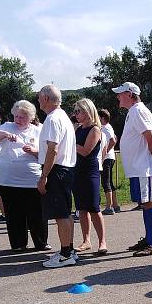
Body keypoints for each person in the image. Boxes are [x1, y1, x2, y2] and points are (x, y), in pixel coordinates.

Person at [114, 82, 152, 257]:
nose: (118, 96)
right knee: (145, 204)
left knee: (149, 203)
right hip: (137, 168)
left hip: (143, 167)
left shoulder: (138, 111)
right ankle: (149, 239)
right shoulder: (133, 112)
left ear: (129, 94)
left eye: (120, 93)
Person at [0, 100, 48, 252]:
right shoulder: (7, 126)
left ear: (30, 117)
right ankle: (18, 243)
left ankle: (41, 242)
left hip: (32, 179)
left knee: (37, 212)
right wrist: (6, 134)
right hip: (8, 180)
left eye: (22, 117)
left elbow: (47, 153)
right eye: (16, 116)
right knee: (14, 213)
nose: (18, 120)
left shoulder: (39, 130)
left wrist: (34, 151)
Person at [36, 84, 78, 268]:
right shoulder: (63, 117)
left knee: (61, 215)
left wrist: (44, 175)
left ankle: (66, 255)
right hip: (66, 169)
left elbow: (52, 149)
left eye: (39, 97)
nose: (38, 101)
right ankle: (67, 250)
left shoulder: (52, 119)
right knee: (65, 213)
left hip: (57, 170)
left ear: (46, 99)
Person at [71, 98, 107, 255]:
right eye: (75, 111)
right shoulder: (78, 129)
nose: (76, 114)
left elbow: (86, 151)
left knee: (93, 207)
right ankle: (86, 241)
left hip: (90, 172)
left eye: (78, 111)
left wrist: (71, 144)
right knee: (81, 208)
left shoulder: (95, 129)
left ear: (87, 111)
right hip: (76, 171)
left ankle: (102, 241)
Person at [98, 108, 119, 215]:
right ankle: (115, 205)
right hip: (110, 157)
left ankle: (109, 206)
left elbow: (113, 140)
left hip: (107, 158)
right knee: (109, 181)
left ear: (102, 118)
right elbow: (115, 137)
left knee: (105, 182)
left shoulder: (105, 128)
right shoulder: (108, 127)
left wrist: (105, 152)